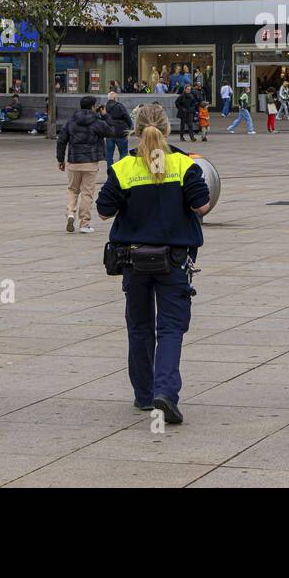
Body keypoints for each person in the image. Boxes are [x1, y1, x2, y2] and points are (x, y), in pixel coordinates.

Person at [96, 102, 211, 424]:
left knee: (139, 327)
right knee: (171, 328)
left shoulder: (123, 168)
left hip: (134, 261)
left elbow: (104, 211)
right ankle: (165, 392)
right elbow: (202, 206)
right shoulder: (183, 164)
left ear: (135, 130)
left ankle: (144, 395)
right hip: (173, 261)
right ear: (167, 128)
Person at [58, 95, 115, 234]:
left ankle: (70, 213)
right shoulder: (97, 121)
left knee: (72, 190)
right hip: (90, 162)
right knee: (87, 193)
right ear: (92, 107)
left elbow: (61, 141)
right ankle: (84, 223)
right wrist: (105, 116)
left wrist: (60, 159)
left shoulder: (71, 121)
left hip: (74, 162)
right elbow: (111, 132)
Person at [104, 90, 132, 164]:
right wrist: (131, 126)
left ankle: (110, 172)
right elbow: (127, 117)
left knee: (109, 155)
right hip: (121, 132)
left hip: (109, 132)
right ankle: (121, 170)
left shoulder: (104, 107)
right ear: (114, 98)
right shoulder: (120, 106)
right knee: (123, 153)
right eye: (117, 97)